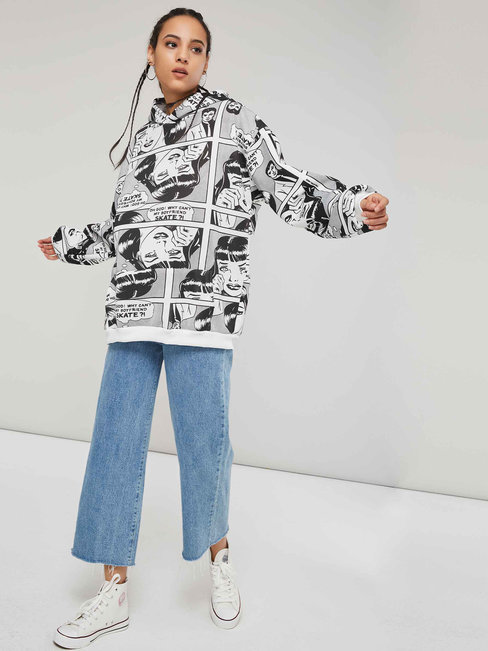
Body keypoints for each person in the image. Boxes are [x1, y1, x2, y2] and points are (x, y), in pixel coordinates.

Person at [38, 7, 390, 648]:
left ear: (205, 61)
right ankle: (112, 587)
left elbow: (286, 185)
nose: (183, 55)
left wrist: (352, 207)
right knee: (115, 442)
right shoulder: (141, 140)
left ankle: (219, 560)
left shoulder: (235, 121)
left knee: (205, 444)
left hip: (204, 311)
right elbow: (126, 228)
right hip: (135, 307)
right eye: (171, 44)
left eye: (196, 47)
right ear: (150, 53)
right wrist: (68, 243)